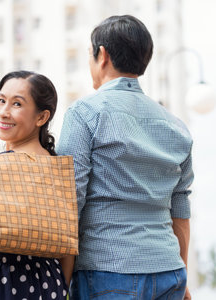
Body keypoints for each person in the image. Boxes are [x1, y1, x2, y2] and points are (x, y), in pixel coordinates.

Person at [57, 15, 193, 300]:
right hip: (169, 272)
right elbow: (180, 207)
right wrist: (181, 274)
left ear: (102, 55)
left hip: (108, 269)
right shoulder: (176, 125)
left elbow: (69, 203)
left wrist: (61, 282)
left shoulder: (84, 113)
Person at [0, 70, 75, 299]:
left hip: (0, 280)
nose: (3, 112)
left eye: (17, 104)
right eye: (2, 100)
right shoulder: (56, 167)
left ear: (41, 118)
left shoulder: (0, 167)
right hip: (48, 282)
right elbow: (68, 249)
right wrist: (58, 289)